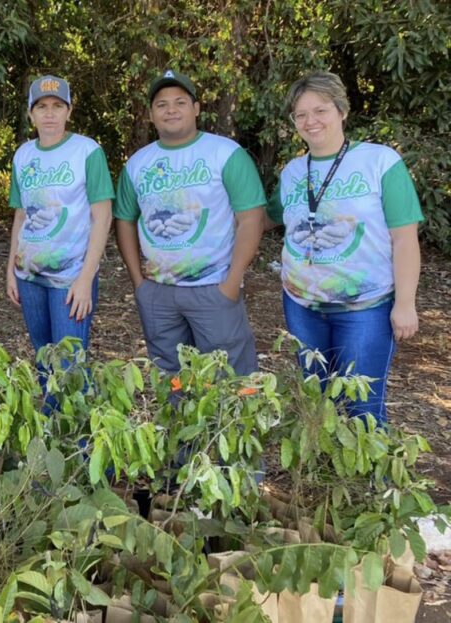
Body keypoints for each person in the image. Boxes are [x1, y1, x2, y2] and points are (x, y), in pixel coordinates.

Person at [266, 71, 422, 426]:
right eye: (300, 115)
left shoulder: (379, 162)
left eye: (320, 110)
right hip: (302, 305)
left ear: (341, 111)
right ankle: (319, 477)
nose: (310, 121)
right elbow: (268, 217)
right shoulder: (292, 172)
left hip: (365, 308)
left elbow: (404, 238)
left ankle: (373, 481)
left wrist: (406, 303)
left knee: (362, 406)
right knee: (314, 402)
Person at [114, 70, 265, 377]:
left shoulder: (225, 153)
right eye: (162, 104)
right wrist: (139, 284)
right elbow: (124, 221)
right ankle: (176, 425)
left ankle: (231, 427)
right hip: (158, 292)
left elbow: (251, 217)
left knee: (228, 376)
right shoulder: (138, 163)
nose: (171, 109)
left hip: (214, 288)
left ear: (196, 109)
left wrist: (232, 282)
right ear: (151, 114)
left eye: (180, 102)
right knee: (171, 375)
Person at [6, 75, 114, 359]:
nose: (50, 113)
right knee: (44, 356)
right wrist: (10, 270)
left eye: (57, 105)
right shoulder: (23, 155)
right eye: (41, 106)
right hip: (29, 275)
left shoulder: (87, 151)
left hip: (70, 277)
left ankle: (70, 406)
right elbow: (20, 216)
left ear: (69, 110)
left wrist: (85, 280)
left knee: (69, 365)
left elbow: (102, 218)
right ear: (31, 113)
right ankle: (48, 406)